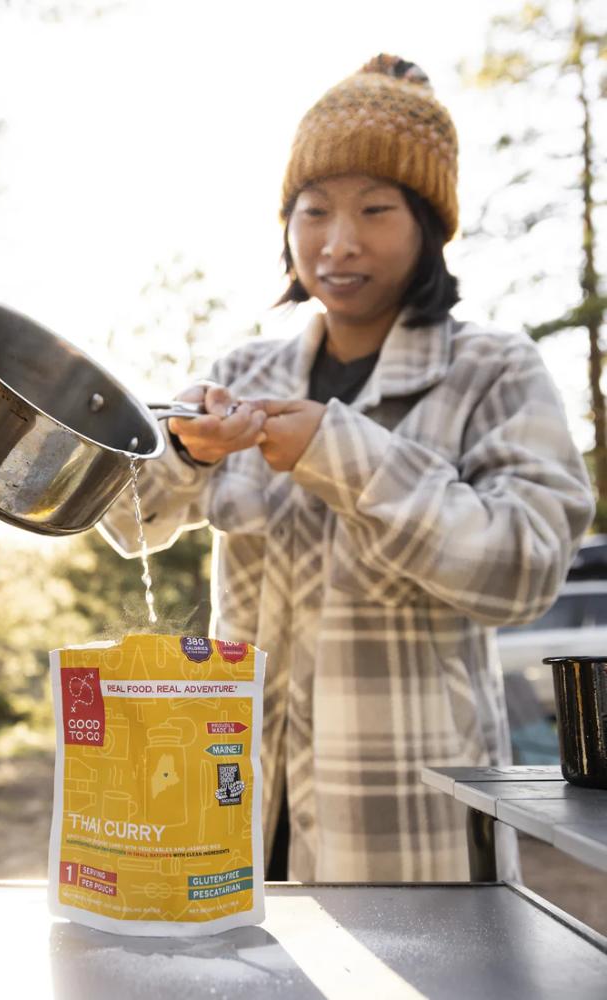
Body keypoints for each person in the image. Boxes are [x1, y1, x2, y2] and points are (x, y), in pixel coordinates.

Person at [99, 54, 595, 883]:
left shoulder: (492, 370)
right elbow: (127, 522)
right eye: (314, 210)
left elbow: (526, 567)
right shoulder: (246, 372)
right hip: (242, 812)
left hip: (412, 829)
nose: (338, 242)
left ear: (429, 227)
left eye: (375, 209)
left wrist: (342, 453)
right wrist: (185, 451)